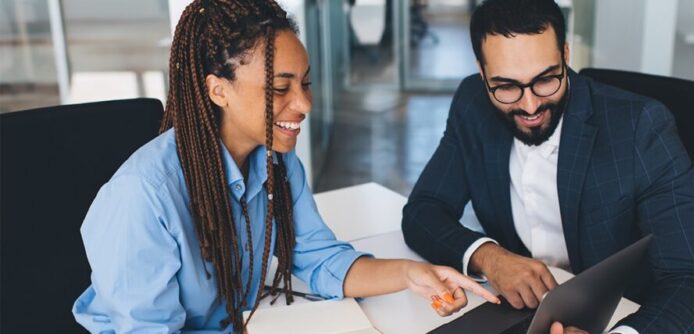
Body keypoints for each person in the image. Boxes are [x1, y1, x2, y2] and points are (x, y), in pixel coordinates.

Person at [71, 1, 498, 333]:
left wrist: (410, 273)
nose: (304, 104)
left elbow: (317, 259)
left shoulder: (275, 159)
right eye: (280, 88)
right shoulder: (143, 196)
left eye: (306, 83)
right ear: (218, 90)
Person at [401, 0, 694, 333]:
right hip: (522, 313)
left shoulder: (640, 128)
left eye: (546, 80)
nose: (529, 106)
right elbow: (423, 211)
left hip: (623, 315)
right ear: (481, 71)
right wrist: (490, 257)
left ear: (566, 55)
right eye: (506, 87)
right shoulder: (472, 102)